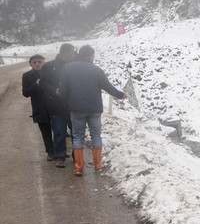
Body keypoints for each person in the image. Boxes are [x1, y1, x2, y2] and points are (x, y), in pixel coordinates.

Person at [59, 45, 127, 176]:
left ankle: (79, 167)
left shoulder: (68, 68)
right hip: (94, 109)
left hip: (76, 108)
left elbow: (62, 89)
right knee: (96, 136)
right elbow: (108, 87)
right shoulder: (96, 70)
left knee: (78, 137)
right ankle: (97, 165)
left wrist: (63, 95)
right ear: (91, 56)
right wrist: (121, 95)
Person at [41, 43, 75, 168]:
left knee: (75, 132)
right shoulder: (49, 66)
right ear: (65, 52)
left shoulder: (74, 66)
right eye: (72, 52)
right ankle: (59, 157)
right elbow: (43, 83)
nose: (73, 54)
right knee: (59, 132)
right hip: (56, 105)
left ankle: (77, 157)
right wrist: (54, 90)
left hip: (73, 105)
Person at [22, 54, 54, 161]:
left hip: (54, 106)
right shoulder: (26, 76)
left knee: (59, 130)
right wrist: (36, 85)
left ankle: (59, 151)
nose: (37, 64)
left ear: (44, 63)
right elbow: (25, 93)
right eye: (34, 62)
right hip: (40, 108)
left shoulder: (50, 74)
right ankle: (50, 152)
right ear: (30, 64)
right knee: (45, 131)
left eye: (40, 61)